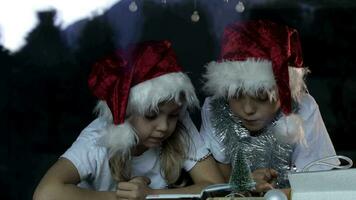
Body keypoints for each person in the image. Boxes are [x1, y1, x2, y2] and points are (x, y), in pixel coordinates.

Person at [33, 40, 224, 200]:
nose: (164, 126)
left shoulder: (178, 122)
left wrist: (151, 195)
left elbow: (215, 185)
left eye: (173, 115)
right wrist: (120, 197)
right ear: (125, 113)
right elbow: (45, 193)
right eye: (151, 115)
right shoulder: (97, 138)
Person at [200, 20, 339, 197]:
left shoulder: (304, 108)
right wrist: (243, 184)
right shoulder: (215, 109)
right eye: (236, 95)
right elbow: (216, 185)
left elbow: (319, 182)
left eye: (262, 96)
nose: (248, 109)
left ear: (285, 89)